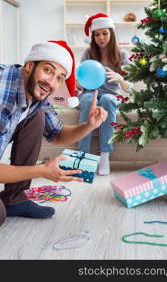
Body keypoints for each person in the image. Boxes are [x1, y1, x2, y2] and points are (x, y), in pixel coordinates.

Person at [0, 40, 107, 224]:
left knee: (38, 115)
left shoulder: (36, 95)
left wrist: (90, 125)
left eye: (60, 77)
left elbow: (57, 134)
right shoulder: (2, 93)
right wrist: (41, 170)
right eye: (48, 70)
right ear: (29, 66)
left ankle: (14, 199)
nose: (51, 82)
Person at [77, 13, 132, 176]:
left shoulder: (122, 55)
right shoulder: (88, 53)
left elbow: (129, 88)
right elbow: (81, 80)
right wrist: (78, 85)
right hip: (89, 93)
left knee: (108, 100)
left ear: (112, 34)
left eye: (105, 33)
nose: (101, 37)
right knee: (88, 101)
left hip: (111, 96)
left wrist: (120, 78)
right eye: (97, 34)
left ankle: (105, 156)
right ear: (93, 36)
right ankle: (83, 157)